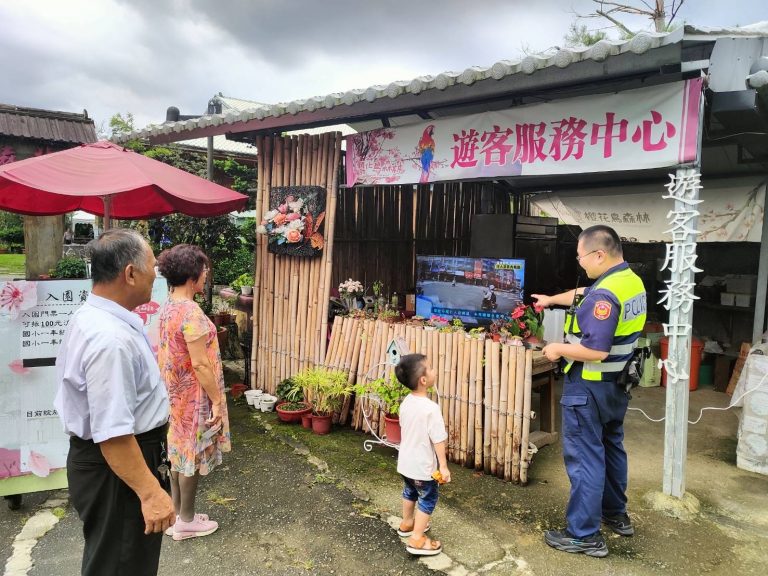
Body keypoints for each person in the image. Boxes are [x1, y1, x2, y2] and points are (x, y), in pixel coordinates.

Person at [54, 228, 175, 576]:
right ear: (130, 273)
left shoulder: (98, 317)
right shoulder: (110, 339)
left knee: (118, 560)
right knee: (121, 564)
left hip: (120, 462)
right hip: (119, 466)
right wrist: (150, 493)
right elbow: (113, 433)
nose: (156, 274)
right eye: (153, 266)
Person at [532, 225, 646, 558]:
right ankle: (616, 514)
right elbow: (584, 293)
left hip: (589, 386)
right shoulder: (629, 281)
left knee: (585, 458)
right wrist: (551, 300)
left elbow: (596, 350)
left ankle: (584, 535)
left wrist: (557, 349)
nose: (580, 263)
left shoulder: (603, 297)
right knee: (611, 448)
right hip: (617, 386)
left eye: (581, 257)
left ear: (599, 255)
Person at [156, 244, 231, 541]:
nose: (206, 274)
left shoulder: (169, 305)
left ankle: (178, 515)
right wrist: (217, 400)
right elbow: (200, 363)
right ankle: (186, 521)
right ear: (192, 275)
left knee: (178, 452)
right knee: (191, 455)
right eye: (204, 270)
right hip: (193, 396)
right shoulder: (191, 312)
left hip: (174, 393)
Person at [394, 353, 451, 556]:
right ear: (424, 380)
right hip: (423, 468)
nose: (435, 370)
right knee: (428, 498)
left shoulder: (406, 403)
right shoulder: (431, 409)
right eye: (431, 367)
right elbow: (438, 440)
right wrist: (443, 466)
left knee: (410, 491)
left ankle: (407, 523)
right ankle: (417, 538)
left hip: (405, 464)